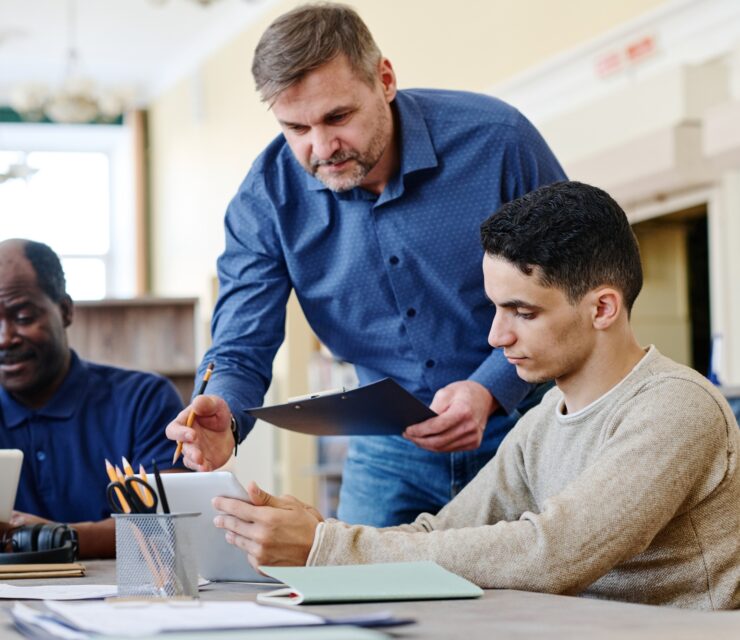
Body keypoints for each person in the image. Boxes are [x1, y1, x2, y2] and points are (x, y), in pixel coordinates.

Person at [210, 181, 740, 609]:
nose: (496, 336)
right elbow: (444, 531)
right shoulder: (541, 424)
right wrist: (318, 530)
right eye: (494, 309)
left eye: (523, 312)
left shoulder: (676, 407)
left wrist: (330, 549)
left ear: (602, 308)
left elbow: (552, 552)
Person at [166, 2, 566, 526]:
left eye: (338, 117)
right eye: (296, 127)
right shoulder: (265, 200)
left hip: (530, 427)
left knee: (539, 595)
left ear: (385, 79)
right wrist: (222, 411)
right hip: (388, 450)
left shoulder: (498, 142)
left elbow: (572, 285)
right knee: (356, 593)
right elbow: (240, 346)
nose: (322, 147)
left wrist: (491, 388)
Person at [0, 239, 184, 558]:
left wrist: (52, 538)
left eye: (24, 317)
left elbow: (167, 523)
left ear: (66, 310)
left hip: (126, 600)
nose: (5, 338)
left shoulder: (143, 401)